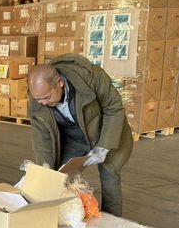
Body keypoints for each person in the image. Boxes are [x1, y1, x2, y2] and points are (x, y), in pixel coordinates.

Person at [27, 54, 133, 217]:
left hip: (106, 130)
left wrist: (104, 146)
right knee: (59, 177)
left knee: (109, 176)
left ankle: (114, 221)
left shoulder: (91, 77)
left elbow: (114, 108)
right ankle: (63, 216)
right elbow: (42, 138)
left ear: (59, 82)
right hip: (74, 136)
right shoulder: (39, 97)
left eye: (47, 97)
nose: (43, 103)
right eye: (38, 99)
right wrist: (45, 168)